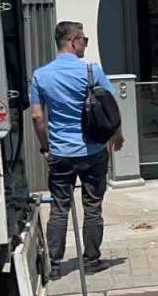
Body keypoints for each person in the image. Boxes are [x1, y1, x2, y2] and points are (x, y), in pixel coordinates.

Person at [30, 21, 123, 279]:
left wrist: (45, 147)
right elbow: (111, 106)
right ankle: (92, 260)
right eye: (84, 40)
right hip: (93, 151)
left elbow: (37, 118)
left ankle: (55, 265)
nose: (85, 44)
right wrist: (118, 135)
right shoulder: (92, 71)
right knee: (92, 206)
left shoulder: (41, 75)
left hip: (60, 153)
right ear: (73, 41)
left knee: (60, 207)